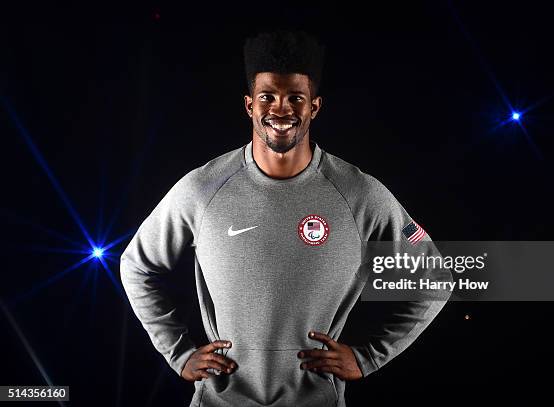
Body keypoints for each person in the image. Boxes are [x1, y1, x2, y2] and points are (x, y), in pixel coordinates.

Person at [120, 30, 452, 407]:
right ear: (249, 105)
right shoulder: (202, 189)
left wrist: (368, 357)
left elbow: (434, 278)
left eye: (296, 97)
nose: (281, 110)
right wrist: (179, 354)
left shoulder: (360, 194)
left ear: (315, 107)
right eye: (268, 97)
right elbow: (136, 265)